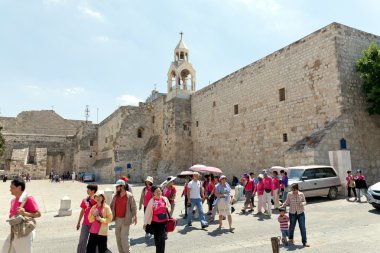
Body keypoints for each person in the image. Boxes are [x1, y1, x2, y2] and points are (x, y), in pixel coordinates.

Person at [2, 177, 41, 253]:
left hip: (25, 233)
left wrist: (24, 213)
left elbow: (38, 214)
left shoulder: (28, 199)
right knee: (5, 250)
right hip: (15, 231)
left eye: (12, 187)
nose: (10, 189)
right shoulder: (13, 200)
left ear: (19, 188)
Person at [110, 179, 137, 253]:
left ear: (122, 187)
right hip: (117, 219)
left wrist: (135, 217)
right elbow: (111, 206)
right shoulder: (115, 196)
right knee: (118, 238)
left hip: (126, 219)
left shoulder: (129, 196)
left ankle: (127, 251)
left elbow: (133, 207)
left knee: (124, 238)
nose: (116, 188)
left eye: (117, 187)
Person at [143, 185, 171, 253]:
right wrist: (145, 223)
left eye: (160, 191)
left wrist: (167, 208)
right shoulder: (151, 201)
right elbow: (148, 213)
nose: (159, 192)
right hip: (155, 223)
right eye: (157, 191)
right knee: (156, 239)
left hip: (163, 222)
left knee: (162, 238)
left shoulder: (164, 199)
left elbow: (169, 208)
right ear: (153, 193)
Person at [77, 184, 98, 253]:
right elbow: (82, 211)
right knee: (82, 241)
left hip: (95, 224)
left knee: (95, 242)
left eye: (88, 189)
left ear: (93, 191)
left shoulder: (98, 200)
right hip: (85, 224)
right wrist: (78, 222)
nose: (87, 190)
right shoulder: (85, 200)